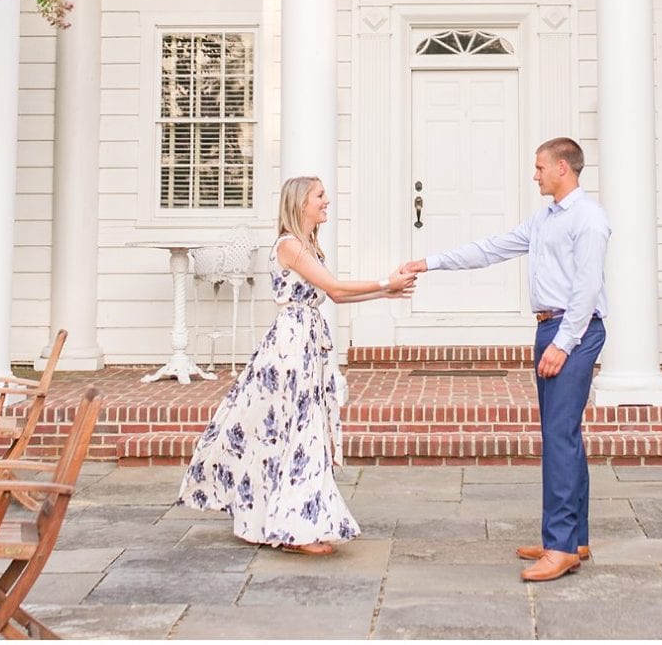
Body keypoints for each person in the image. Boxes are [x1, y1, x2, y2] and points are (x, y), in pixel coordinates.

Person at [400, 137, 608, 582]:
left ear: (563, 169)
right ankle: (575, 539)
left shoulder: (589, 220)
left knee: (558, 436)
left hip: (574, 330)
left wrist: (563, 343)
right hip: (550, 327)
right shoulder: (546, 219)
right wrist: (429, 262)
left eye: (539, 168)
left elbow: (587, 290)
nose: (534, 175)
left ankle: (560, 548)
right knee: (563, 435)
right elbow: (491, 248)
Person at [177, 175, 417, 555]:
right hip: (291, 347)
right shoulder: (289, 245)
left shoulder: (310, 248)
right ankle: (295, 529)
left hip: (309, 341)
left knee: (303, 430)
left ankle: (295, 521)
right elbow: (336, 288)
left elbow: (332, 298)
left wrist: (386, 291)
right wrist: (387, 280)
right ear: (301, 202)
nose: (327, 201)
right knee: (298, 430)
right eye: (320, 196)